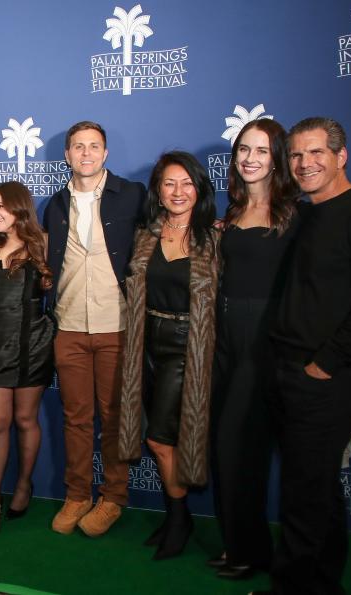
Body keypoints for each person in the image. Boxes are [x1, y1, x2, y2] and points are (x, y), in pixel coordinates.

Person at [263, 117, 351, 595]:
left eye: (316, 152)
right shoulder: (299, 213)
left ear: (341, 156)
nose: (304, 163)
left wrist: (326, 362)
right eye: (296, 155)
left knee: (304, 495)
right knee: (318, 489)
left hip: (326, 378)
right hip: (287, 369)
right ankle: (321, 584)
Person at [43, 121, 146, 537]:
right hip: (68, 325)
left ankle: (114, 498)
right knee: (76, 418)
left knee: (115, 416)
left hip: (116, 325)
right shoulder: (55, 204)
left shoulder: (133, 196)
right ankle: (77, 495)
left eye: (94, 146)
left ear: (105, 154)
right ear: (67, 156)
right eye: (78, 147)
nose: (86, 153)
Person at [117, 151, 220, 560]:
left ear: (199, 189)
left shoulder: (214, 237)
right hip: (146, 343)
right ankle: (174, 514)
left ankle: (180, 518)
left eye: (187, 183)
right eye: (169, 184)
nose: (178, 192)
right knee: (161, 437)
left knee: (160, 438)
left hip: (186, 346)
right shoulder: (146, 235)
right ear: (158, 192)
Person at [208, 119, 299, 580]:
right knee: (224, 448)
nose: (250, 158)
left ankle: (252, 550)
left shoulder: (293, 213)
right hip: (226, 336)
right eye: (244, 149)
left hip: (264, 341)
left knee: (241, 446)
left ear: (277, 157)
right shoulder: (234, 209)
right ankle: (237, 544)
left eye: (261, 151)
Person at [0, 181, 55, 539]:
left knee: (25, 419)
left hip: (33, 345)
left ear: (20, 207)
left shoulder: (44, 245)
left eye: (1, 206)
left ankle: (23, 485)